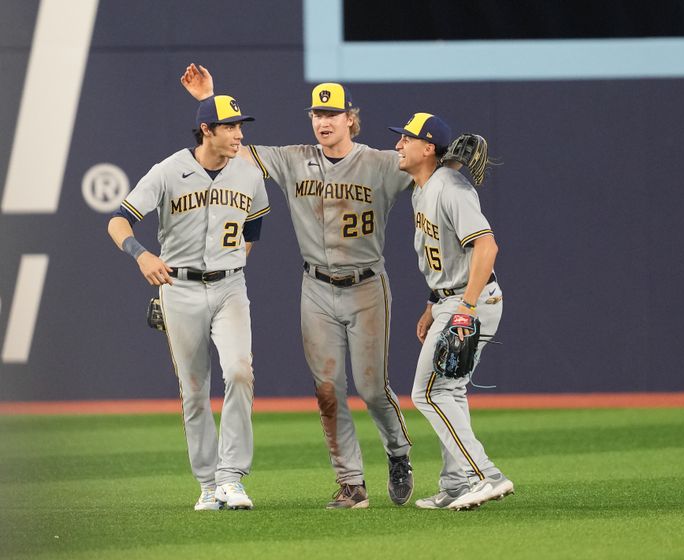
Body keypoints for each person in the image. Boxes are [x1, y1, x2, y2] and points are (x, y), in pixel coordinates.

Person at [180, 64, 414, 509]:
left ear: (351, 119)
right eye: (317, 114)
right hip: (316, 288)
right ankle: (352, 483)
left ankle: (398, 452)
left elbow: (426, 165)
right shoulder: (293, 158)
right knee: (328, 390)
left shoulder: (381, 163)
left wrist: (452, 158)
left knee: (370, 387)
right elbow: (233, 148)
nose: (324, 121)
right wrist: (206, 100)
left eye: (333, 114)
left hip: (366, 287)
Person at [107, 94, 270, 511]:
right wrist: (141, 254)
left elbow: (252, 235)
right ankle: (208, 484)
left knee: (239, 372)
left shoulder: (249, 175)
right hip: (179, 289)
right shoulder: (169, 170)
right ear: (207, 131)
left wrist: (225, 267)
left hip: (230, 287)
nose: (239, 134)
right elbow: (118, 219)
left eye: (240, 126)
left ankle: (232, 477)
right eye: (230, 127)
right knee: (195, 390)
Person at [388, 113, 514, 510]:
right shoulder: (423, 186)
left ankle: (485, 475)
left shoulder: (450, 189)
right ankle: (458, 485)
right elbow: (444, 251)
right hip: (449, 297)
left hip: (469, 300)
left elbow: (487, 247)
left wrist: (465, 310)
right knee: (450, 391)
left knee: (428, 392)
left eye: (406, 139)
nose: (398, 145)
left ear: (427, 149)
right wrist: (432, 303)